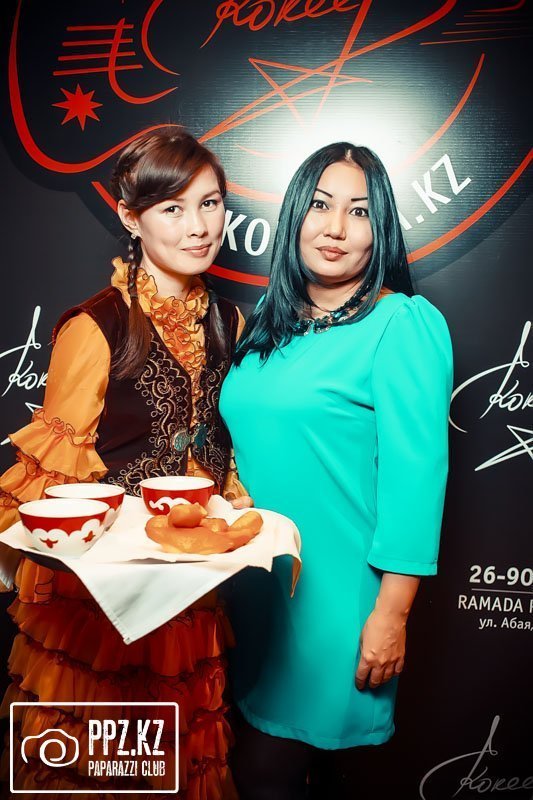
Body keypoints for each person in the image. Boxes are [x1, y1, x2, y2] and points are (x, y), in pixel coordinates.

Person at [0, 127, 247, 799]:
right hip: (102, 594)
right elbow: (54, 484)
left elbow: (225, 451)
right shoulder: (96, 325)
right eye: (172, 208)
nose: (198, 227)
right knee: (98, 762)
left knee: (174, 759)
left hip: (188, 584)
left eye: (210, 203)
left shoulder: (229, 321)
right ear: (130, 218)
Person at [220, 142, 454, 799]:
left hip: (337, 604)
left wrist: (391, 615)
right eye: (320, 206)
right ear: (295, 215)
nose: (335, 228)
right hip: (253, 594)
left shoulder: (401, 324)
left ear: (380, 231)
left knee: (270, 773)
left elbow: (416, 478)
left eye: (359, 212)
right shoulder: (266, 329)